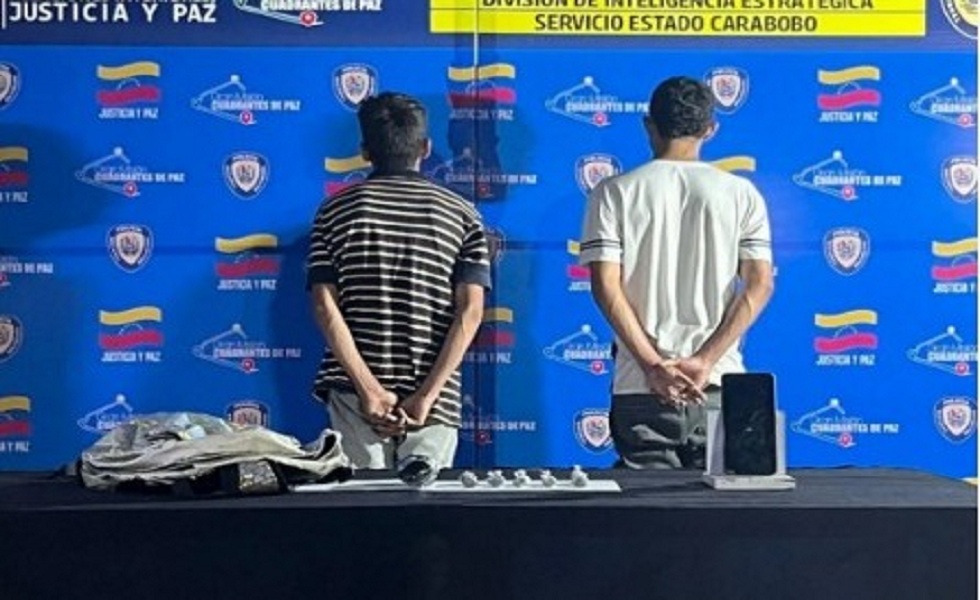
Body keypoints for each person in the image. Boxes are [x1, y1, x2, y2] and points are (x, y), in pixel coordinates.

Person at [579, 76, 775, 470]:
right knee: (718, 506)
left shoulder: (614, 192)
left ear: (648, 125)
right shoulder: (742, 194)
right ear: (710, 129)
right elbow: (760, 284)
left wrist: (653, 366)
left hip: (640, 384)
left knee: (647, 509)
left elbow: (605, 287)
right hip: (716, 381)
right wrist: (705, 360)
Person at [306, 92, 491, 472]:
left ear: (364, 151)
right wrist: (426, 395)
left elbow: (325, 306)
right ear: (425, 147)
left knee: (362, 502)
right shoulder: (463, 214)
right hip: (435, 399)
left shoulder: (333, 211)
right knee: (425, 506)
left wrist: (369, 390)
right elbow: (471, 312)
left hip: (354, 393)